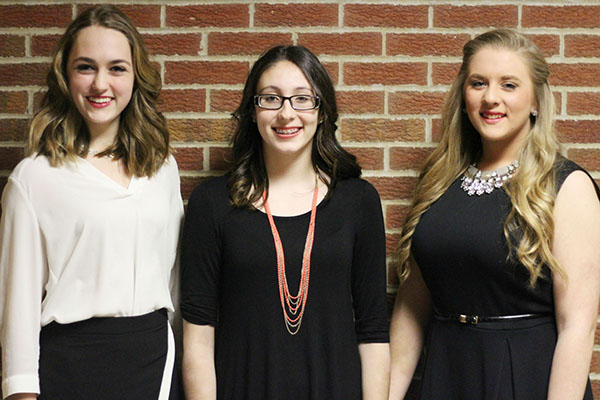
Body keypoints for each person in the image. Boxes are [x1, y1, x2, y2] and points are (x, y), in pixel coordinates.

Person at [388, 29, 600, 400]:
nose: (491, 98)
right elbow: (411, 308)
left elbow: (576, 327)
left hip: (527, 375)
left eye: (509, 85)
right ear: (463, 94)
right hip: (448, 372)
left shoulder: (568, 185)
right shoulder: (439, 182)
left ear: (535, 101)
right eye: (478, 83)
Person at [180, 45, 390, 400]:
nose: (287, 114)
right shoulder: (212, 203)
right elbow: (198, 338)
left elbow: (372, 332)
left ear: (322, 111)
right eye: (271, 99)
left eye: (302, 99)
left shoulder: (359, 201)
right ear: (252, 111)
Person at [0, 5, 183, 400]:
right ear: (66, 77)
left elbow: (174, 280)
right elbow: (18, 311)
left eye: (117, 68)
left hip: (154, 364)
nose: (101, 84)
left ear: (136, 77)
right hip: (69, 367)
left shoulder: (162, 168)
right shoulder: (34, 178)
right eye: (86, 67)